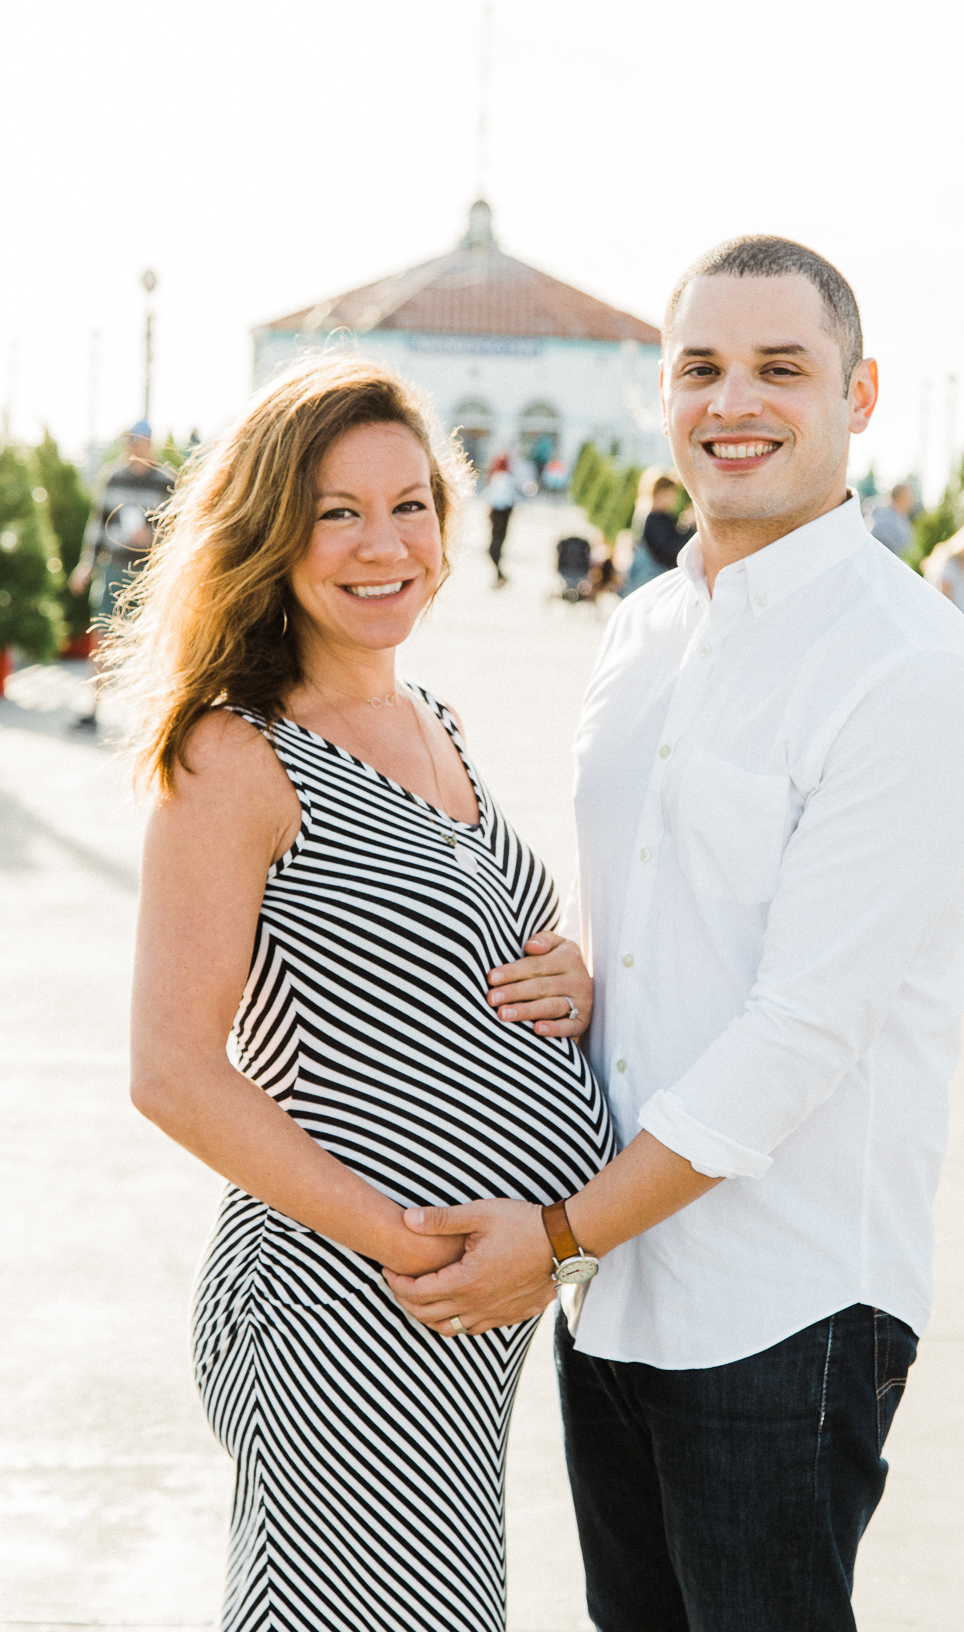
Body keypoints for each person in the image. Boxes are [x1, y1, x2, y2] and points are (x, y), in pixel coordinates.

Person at [390, 236, 964, 1631]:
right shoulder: (648, 632)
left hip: (784, 1298)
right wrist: (591, 981)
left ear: (859, 394)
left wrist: (551, 1238)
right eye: (701, 368)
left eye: (780, 368)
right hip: (613, 1287)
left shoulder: (911, 668)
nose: (735, 401)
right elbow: (682, 925)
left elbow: (802, 1030)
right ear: (660, 398)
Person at [113, 357, 613, 1630]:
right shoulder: (238, 750)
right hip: (349, 1303)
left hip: (455, 1316)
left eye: (411, 504)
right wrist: (406, 1245)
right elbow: (172, 1069)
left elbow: (437, 965)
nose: (383, 544)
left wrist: (572, 972)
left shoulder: (431, 718)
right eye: (337, 512)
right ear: (273, 534)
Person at [67, 419, 176, 728]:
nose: (133, 447)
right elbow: (98, 524)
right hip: (114, 568)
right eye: (129, 441)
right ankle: (94, 708)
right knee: (101, 638)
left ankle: (151, 716)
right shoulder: (112, 476)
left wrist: (151, 536)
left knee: (150, 642)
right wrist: (86, 565)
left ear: (150, 444)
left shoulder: (166, 480)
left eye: (139, 441)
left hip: (150, 574)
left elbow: (177, 529)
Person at [620, 473, 695, 597]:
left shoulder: (645, 513)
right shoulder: (654, 518)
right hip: (653, 576)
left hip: (645, 576)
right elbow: (671, 549)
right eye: (670, 494)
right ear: (661, 492)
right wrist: (688, 527)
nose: (672, 499)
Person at [484, 452, 515, 586]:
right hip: (504, 513)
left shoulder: (499, 478)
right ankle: (500, 574)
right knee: (497, 545)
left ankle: (499, 574)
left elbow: (493, 497)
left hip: (499, 513)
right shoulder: (507, 478)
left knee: (494, 547)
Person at [870, 480, 914, 555]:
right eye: (909, 496)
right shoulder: (884, 521)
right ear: (901, 497)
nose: (912, 501)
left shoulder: (902, 519)